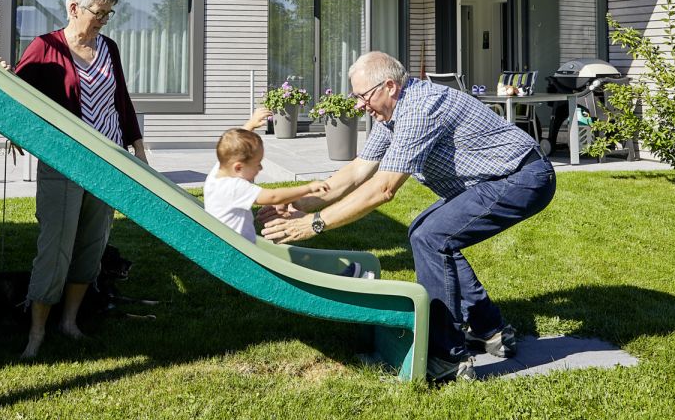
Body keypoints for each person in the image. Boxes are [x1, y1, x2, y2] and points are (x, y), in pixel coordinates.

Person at [260, 51, 556, 382]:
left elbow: (383, 189)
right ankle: (491, 330)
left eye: (362, 96)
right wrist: (299, 204)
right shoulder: (391, 114)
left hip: (522, 178)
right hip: (494, 179)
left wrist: (314, 224)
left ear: (389, 86)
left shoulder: (419, 108)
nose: (358, 105)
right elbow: (358, 172)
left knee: (432, 237)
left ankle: (448, 357)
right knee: (426, 232)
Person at [12, 0, 148, 359]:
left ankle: (69, 322)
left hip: (108, 162)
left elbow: (121, 98)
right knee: (55, 247)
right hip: (64, 161)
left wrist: (138, 148)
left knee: (91, 245)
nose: (104, 19)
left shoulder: (109, 47)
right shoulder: (45, 47)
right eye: (99, 12)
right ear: (74, 8)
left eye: (109, 13)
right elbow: (18, 97)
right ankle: (36, 331)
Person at [203, 108, 329, 243]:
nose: (261, 168)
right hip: (237, 252)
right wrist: (308, 188)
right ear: (239, 167)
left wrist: (250, 124)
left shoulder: (218, 173)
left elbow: (234, 146)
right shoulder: (235, 187)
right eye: (257, 164)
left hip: (225, 245)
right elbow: (274, 196)